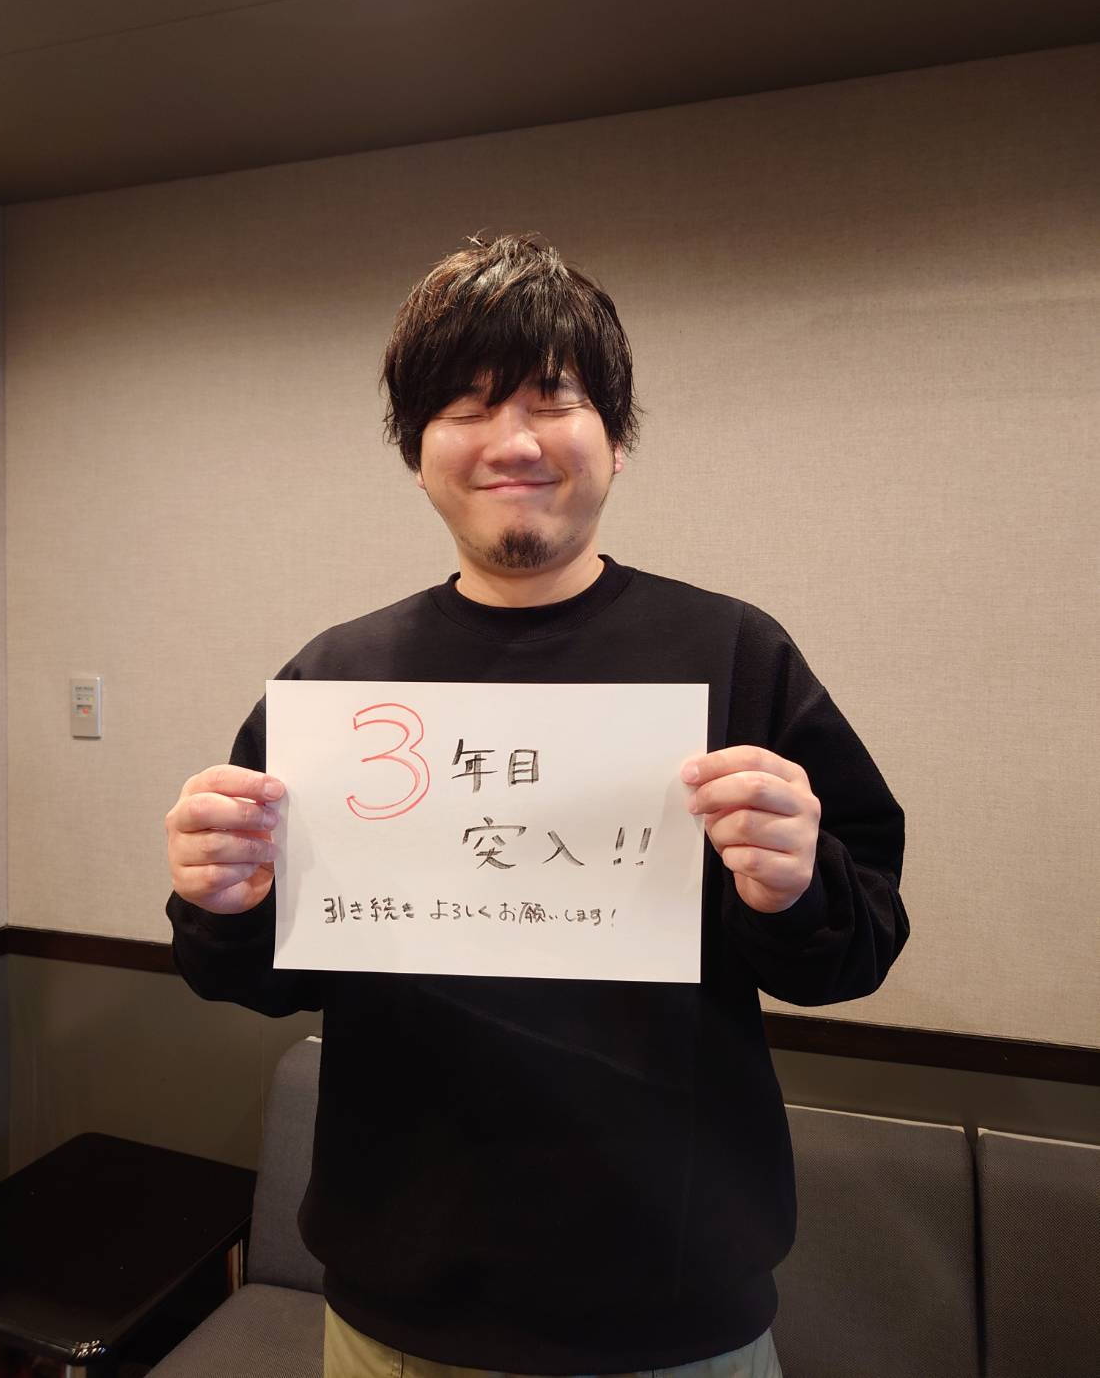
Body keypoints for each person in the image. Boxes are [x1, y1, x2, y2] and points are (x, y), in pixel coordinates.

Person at [166, 233, 908, 1378]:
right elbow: (263, 974)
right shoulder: (338, 682)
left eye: (551, 398)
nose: (512, 440)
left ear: (616, 438)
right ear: (416, 453)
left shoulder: (733, 654)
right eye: (465, 407)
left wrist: (797, 884)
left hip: (674, 1312)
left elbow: (855, 947)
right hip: (398, 1310)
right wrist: (221, 900)